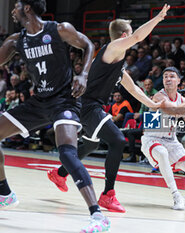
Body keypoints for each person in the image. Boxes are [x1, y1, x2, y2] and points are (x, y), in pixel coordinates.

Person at [47, 4, 170, 215]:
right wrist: (158, 18)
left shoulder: (117, 61)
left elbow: (132, 88)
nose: (133, 39)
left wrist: (153, 104)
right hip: (88, 106)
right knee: (118, 141)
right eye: (129, 35)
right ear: (123, 36)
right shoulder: (112, 48)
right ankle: (107, 195)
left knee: (90, 145)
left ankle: (59, 173)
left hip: (89, 106)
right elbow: (139, 37)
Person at [0, 0, 112, 232]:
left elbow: (89, 45)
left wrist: (84, 75)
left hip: (64, 100)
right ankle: (5, 193)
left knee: (67, 154)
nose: (13, 9)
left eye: (17, 5)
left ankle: (98, 216)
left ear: (27, 8)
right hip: (38, 102)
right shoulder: (15, 40)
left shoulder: (59, 29)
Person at [141, 66, 185, 210]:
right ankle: (176, 195)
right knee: (161, 153)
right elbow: (175, 110)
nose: (168, 78)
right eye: (165, 76)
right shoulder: (159, 97)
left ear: (179, 80)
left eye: (172, 76)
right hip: (151, 139)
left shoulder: (182, 100)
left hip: (171, 141)